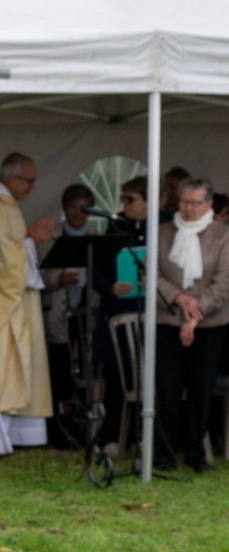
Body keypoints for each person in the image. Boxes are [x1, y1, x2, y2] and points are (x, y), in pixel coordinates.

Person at [0, 152, 57, 455]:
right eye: (28, 180)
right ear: (12, 178)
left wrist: (28, 237)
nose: (31, 187)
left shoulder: (5, 207)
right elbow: (2, 259)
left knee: (17, 363)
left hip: (15, 301)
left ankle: (18, 434)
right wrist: (31, 238)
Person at [152, 177, 229, 471]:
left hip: (210, 325)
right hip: (167, 319)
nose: (189, 208)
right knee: (167, 388)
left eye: (196, 203)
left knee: (200, 390)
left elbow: (223, 285)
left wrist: (194, 317)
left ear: (209, 204)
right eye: (184, 201)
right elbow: (152, 275)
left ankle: (196, 453)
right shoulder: (161, 232)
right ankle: (164, 454)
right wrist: (180, 300)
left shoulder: (223, 235)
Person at [94, 177, 152, 452]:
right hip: (117, 314)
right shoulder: (115, 227)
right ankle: (113, 437)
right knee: (117, 378)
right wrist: (111, 286)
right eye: (124, 199)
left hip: (151, 316)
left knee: (149, 377)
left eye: (131, 199)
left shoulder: (162, 229)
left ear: (149, 201)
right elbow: (97, 272)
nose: (125, 205)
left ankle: (144, 437)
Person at [41, 183, 96, 447]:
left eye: (83, 207)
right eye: (73, 207)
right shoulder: (50, 239)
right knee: (61, 374)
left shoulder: (97, 237)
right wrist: (59, 278)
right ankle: (61, 432)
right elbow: (36, 277)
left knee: (89, 374)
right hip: (59, 317)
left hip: (89, 317)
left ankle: (88, 429)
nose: (78, 213)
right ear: (64, 209)